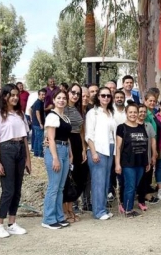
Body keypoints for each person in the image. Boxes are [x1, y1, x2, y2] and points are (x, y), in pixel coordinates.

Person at [0, 84, 31, 238]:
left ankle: (12, 222)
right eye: (11, 95)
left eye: (16, 95)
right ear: (5, 96)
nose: (15, 98)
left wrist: (28, 158)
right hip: (5, 149)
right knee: (8, 189)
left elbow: (25, 137)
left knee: (17, 188)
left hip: (20, 149)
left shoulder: (20, 113)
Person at [41, 90, 73, 230]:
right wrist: (55, 158)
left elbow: (67, 137)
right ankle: (48, 219)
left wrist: (70, 153)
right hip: (56, 151)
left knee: (60, 187)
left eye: (64, 98)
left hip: (65, 149)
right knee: (53, 187)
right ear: (53, 100)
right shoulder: (52, 117)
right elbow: (51, 139)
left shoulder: (65, 117)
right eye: (58, 98)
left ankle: (59, 216)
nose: (61, 100)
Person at [85, 87, 117, 220]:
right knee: (98, 181)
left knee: (105, 180)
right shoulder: (93, 113)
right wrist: (93, 152)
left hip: (110, 148)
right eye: (103, 95)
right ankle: (98, 211)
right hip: (98, 149)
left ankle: (103, 208)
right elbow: (89, 135)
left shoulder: (110, 112)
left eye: (108, 96)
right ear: (98, 97)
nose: (106, 98)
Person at [115, 104, 150, 218]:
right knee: (130, 186)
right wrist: (117, 164)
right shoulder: (122, 128)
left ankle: (126, 206)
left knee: (134, 186)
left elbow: (145, 146)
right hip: (127, 163)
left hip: (140, 162)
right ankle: (128, 210)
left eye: (135, 112)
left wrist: (147, 162)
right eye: (130, 112)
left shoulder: (142, 126)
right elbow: (118, 147)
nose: (133, 114)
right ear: (126, 113)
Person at [63, 84, 87, 223]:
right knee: (67, 177)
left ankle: (71, 207)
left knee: (79, 177)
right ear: (68, 92)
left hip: (78, 141)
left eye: (78, 93)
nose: (75, 95)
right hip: (67, 141)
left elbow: (81, 128)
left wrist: (84, 147)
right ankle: (65, 210)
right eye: (73, 92)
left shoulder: (78, 108)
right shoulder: (63, 107)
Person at [135, 104, 159, 210]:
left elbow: (153, 141)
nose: (142, 113)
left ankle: (142, 198)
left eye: (144, 112)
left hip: (146, 157)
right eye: (140, 111)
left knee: (146, 178)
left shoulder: (148, 125)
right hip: (134, 158)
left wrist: (154, 155)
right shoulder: (130, 125)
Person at [31, 89, 47, 157]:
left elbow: (30, 109)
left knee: (37, 139)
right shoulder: (38, 102)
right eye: (42, 94)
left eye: (44, 94)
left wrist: (32, 118)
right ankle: (40, 154)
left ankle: (36, 153)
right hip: (38, 124)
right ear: (39, 95)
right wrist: (40, 123)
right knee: (40, 139)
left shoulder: (38, 102)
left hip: (35, 123)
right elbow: (37, 113)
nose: (43, 96)